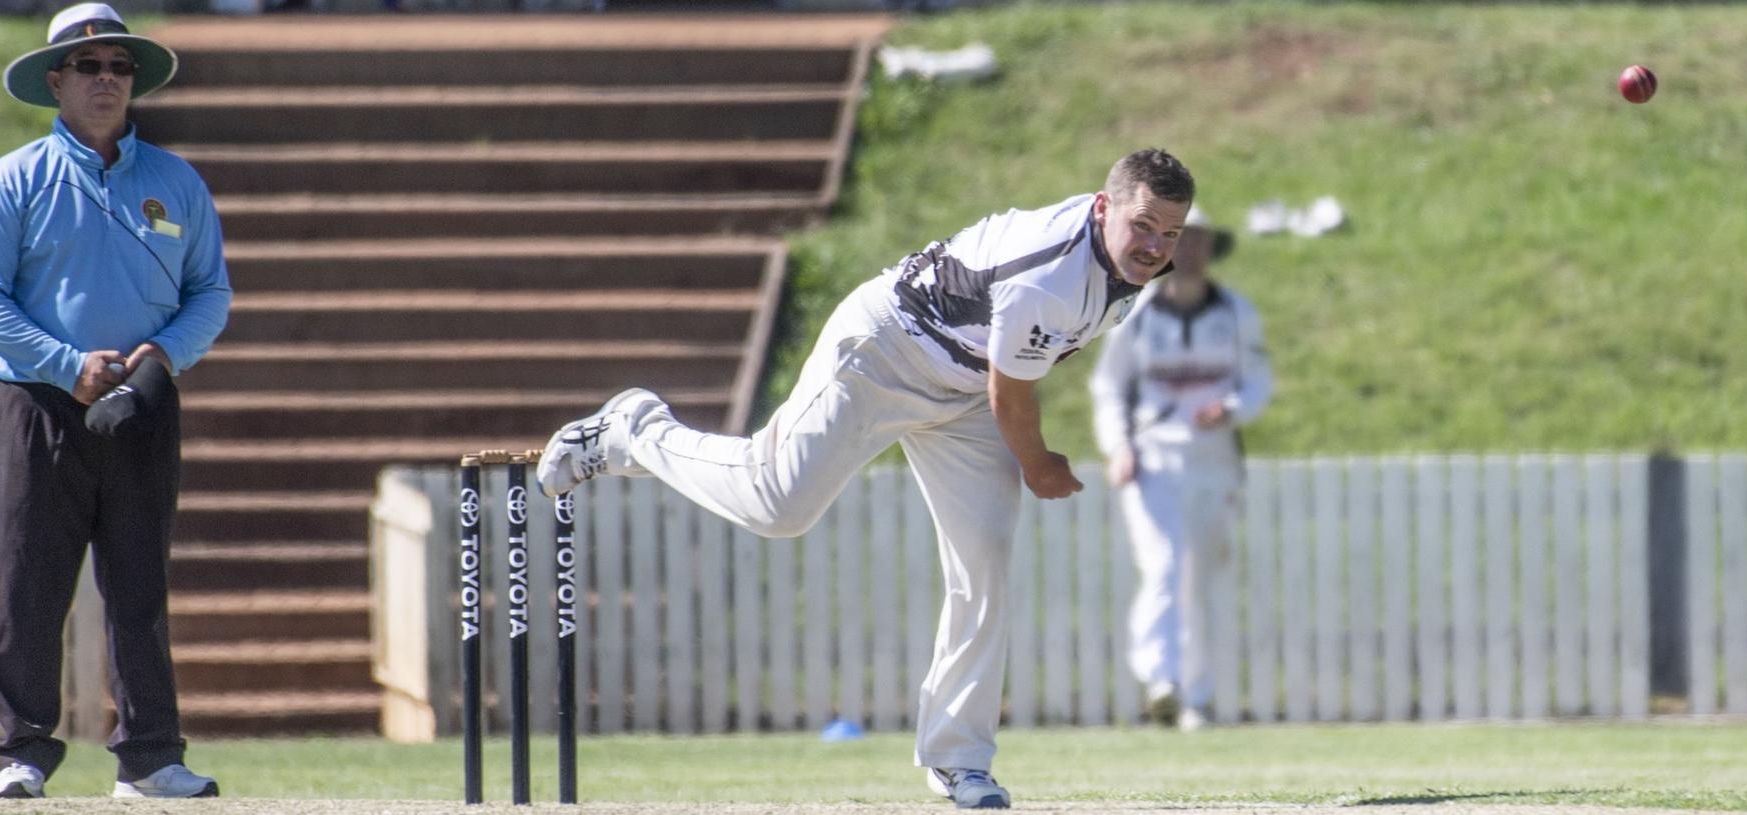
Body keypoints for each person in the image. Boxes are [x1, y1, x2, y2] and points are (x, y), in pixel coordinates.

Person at [537, 150, 1198, 810]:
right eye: (1143, 224)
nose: (1154, 246)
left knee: (985, 561)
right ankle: (636, 430)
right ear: (1102, 205)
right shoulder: (1049, 273)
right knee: (777, 505)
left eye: (1170, 231)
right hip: (884, 350)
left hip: (961, 390)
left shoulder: (1133, 260)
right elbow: (1012, 395)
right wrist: (1037, 463)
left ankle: (957, 759)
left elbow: (1005, 372)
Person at [0, 3, 231, 799]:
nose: (106, 79)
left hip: (142, 403)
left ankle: (149, 756)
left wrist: (161, 356)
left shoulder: (174, 181)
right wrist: (65, 362)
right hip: (40, 402)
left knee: (139, 579)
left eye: (118, 67)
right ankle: (21, 752)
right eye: (88, 66)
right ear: (56, 82)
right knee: (29, 580)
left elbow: (210, 290)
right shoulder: (15, 179)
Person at [1087, 208, 1271, 732]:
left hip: (1214, 460)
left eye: (1199, 242)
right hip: (1154, 458)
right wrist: (1118, 446)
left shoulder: (1236, 313)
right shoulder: (1138, 313)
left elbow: (1258, 381)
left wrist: (1233, 409)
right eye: (1180, 241)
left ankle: (1195, 697)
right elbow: (1109, 388)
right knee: (1163, 565)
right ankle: (1161, 680)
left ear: (1211, 250)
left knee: (1201, 577)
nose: (1189, 251)